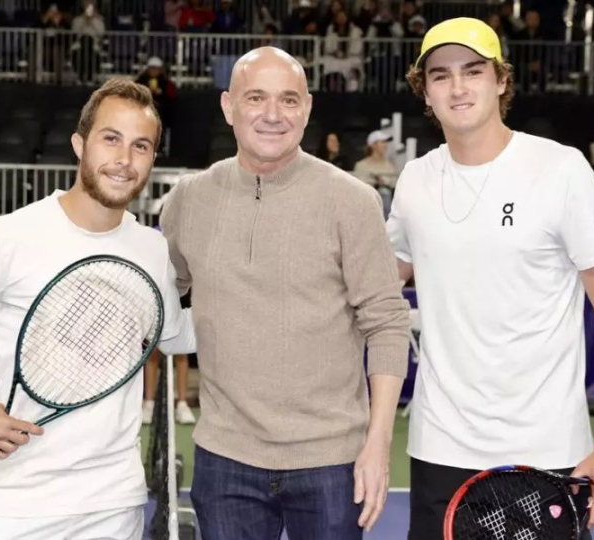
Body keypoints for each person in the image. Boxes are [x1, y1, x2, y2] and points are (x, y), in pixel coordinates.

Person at [0, 77, 196, 540]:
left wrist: (271, 307)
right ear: (80, 144)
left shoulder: (151, 251)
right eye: (110, 139)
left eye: (141, 146)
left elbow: (174, 334)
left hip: (114, 507)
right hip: (16, 507)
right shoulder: (10, 236)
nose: (124, 159)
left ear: (153, 159)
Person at [387, 18, 594, 540]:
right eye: (441, 75)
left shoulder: (561, 169)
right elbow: (381, 284)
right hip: (439, 449)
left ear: (501, 81)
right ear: (425, 93)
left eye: (472, 71)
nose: (457, 87)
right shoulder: (414, 180)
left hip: (546, 453)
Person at [160, 46, 412, 539]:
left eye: (289, 100)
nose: (273, 114)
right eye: (256, 98)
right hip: (225, 459)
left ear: (308, 108)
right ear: (229, 106)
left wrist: (377, 444)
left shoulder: (353, 201)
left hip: (331, 463)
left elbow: (386, 322)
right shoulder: (188, 200)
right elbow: (157, 299)